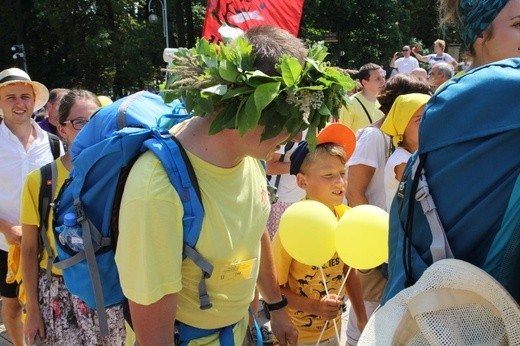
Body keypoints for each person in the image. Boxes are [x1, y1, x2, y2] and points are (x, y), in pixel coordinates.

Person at [114, 25, 353, 345]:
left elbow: (256, 230)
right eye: (290, 121)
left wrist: (277, 306)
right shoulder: (156, 189)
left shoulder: (248, 156)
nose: (293, 138)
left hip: (240, 330)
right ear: (251, 108)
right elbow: (152, 326)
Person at [382, 0, 520, 304]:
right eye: (518, 25)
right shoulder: (482, 92)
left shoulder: (453, 95)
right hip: (476, 312)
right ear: (480, 35)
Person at [20, 89, 126, 345]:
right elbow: (30, 248)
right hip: (58, 294)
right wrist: (32, 310)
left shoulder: (117, 175)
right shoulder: (40, 181)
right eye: (80, 123)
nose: (90, 130)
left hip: (107, 289)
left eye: (96, 121)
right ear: (62, 129)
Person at [343, 74, 432, 345]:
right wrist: (377, 240)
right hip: (375, 240)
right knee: (369, 311)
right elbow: (354, 191)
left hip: (390, 237)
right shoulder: (373, 136)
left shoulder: (399, 141)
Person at [271, 123, 367, 346]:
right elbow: (275, 288)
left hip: (333, 330)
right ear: (302, 181)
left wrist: (361, 318)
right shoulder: (293, 225)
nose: (339, 182)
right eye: (328, 175)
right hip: (296, 336)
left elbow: (347, 270)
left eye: (342, 173)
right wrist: (315, 307)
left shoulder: (346, 217)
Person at [0, 67, 64, 346]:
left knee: (47, 304)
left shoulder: (52, 144)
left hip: (45, 244)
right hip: (6, 244)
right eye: (10, 97)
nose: (18, 103)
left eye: (24, 96)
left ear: (33, 101)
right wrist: (4, 227)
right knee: (13, 305)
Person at [381, 94, 431, 210]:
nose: (427, 124)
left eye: (430, 117)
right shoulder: (402, 161)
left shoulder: (420, 154)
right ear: (402, 125)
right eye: (419, 120)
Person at [265, 131, 306, 239]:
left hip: (305, 200)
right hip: (282, 202)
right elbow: (270, 168)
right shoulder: (285, 130)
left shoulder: (313, 127)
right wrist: (303, 164)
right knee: (278, 249)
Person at [339, 63, 385, 132]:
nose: (383, 81)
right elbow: (343, 134)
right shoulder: (350, 104)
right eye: (377, 79)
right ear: (365, 82)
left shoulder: (385, 101)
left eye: (383, 77)